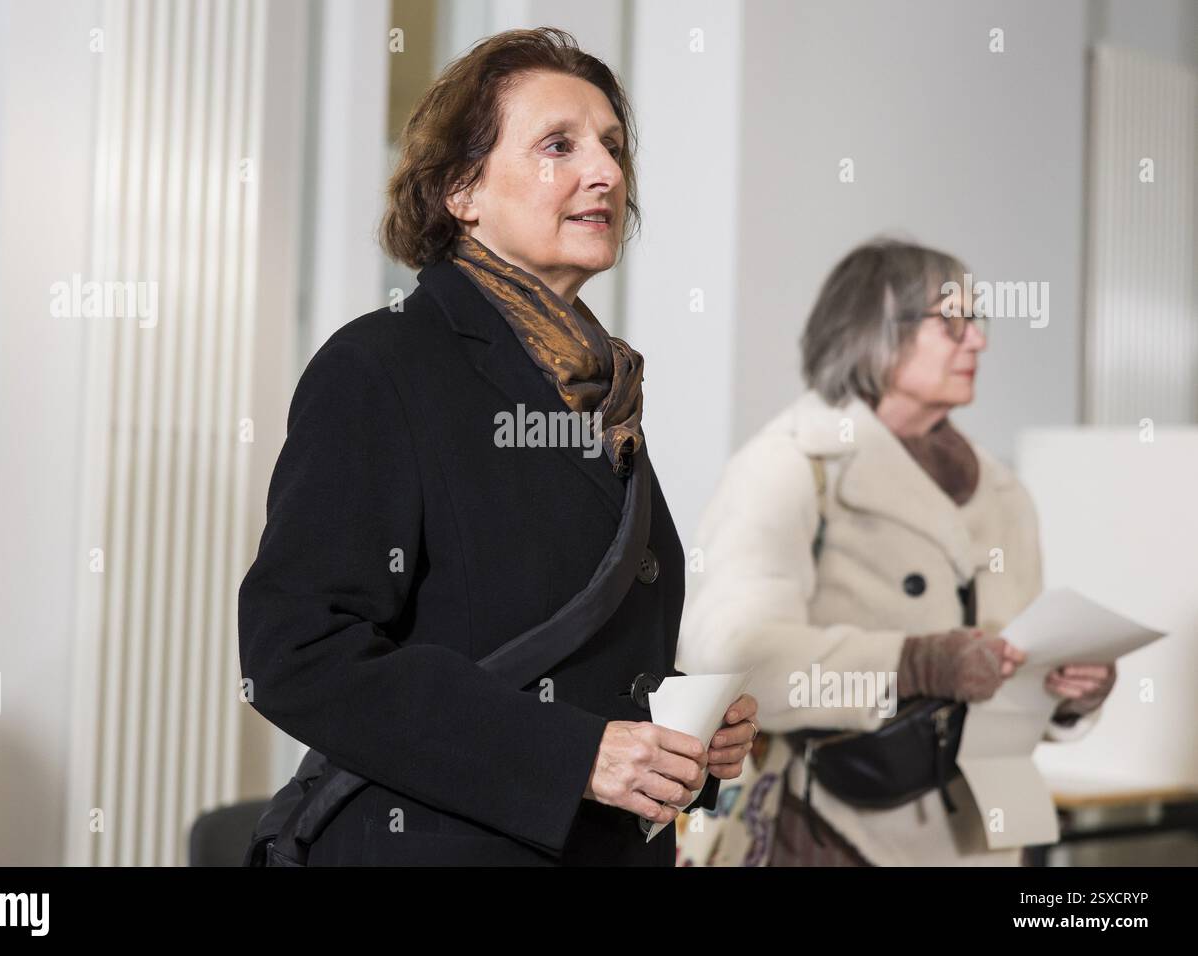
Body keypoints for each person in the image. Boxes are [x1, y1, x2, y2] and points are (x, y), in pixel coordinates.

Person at [238, 27, 755, 866]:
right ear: (461, 191)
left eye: (613, 147)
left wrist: (683, 737)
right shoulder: (381, 364)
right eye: (560, 145)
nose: (608, 173)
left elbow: (568, 655)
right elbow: (296, 651)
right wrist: (572, 757)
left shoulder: (598, 384)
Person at [677, 239, 1115, 865]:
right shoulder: (789, 466)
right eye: (952, 323)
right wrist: (914, 664)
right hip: (828, 834)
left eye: (977, 322)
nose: (979, 342)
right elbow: (729, 659)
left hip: (983, 839)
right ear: (873, 333)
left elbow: (1014, 668)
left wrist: (1070, 689)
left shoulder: (1003, 492)